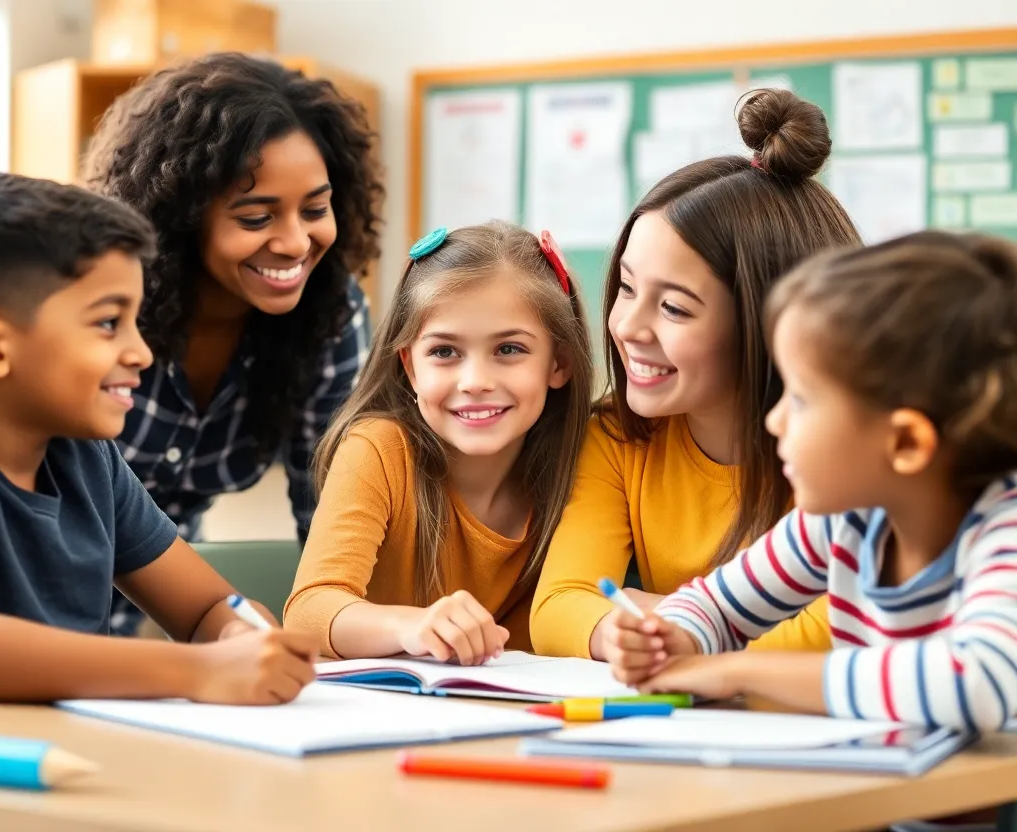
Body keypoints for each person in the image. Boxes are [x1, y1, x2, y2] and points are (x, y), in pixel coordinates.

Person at [0, 173, 318, 716]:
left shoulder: (85, 456)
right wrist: (199, 671)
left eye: (135, 322)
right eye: (108, 323)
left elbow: (207, 606)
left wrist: (238, 634)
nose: (141, 352)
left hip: (29, 765)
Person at [604, 229, 1017, 740]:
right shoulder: (843, 524)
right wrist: (675, 638)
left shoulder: (1003, 534)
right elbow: (717, 607)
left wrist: (735, 671)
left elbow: (978, 682)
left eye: (800, 400)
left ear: (906, 443)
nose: (774, 421)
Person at [530, 88, 861, 660]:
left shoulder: (851, 453)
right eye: (627, 288)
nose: (626, 325)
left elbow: (840, 630)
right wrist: (635, 633)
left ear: (769, 325)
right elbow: (560, 607)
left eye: (675, 308)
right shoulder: (619, 435)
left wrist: (663, 619)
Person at [84, 53, 383, 635]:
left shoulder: (329, 313)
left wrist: (353, 629)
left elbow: (329, 514)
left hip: (146, 625)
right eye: (255, 218)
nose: (296, 242)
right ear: (182, 215)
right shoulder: (102, 306)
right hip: (25, 608)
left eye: (316, 209)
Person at [284, 222, 594, 663]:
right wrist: (412, 625)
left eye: (509, 350)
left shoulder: (585, 463)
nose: (475, 382)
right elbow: (308, 613)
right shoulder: (378, 449)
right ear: (410, 367)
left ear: (558, 362)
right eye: (445, 352)